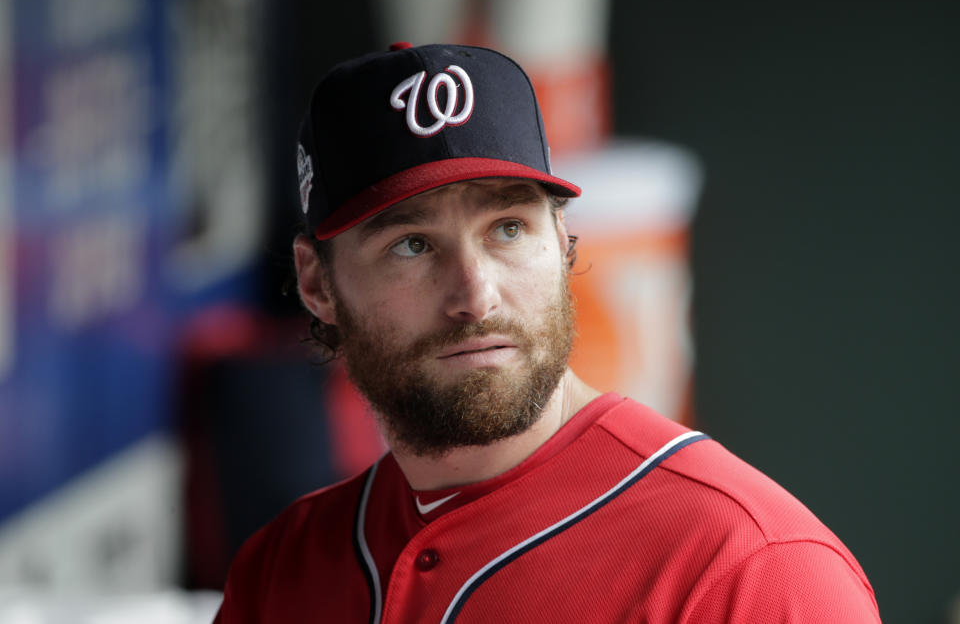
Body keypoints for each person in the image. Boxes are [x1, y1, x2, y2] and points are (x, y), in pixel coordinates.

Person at [214, 42, 881, 623]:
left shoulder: (749, 572)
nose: (475, 296)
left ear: (562, 243)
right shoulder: (282, 571)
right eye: (413, 245)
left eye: (508, 229)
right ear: (317, 284)